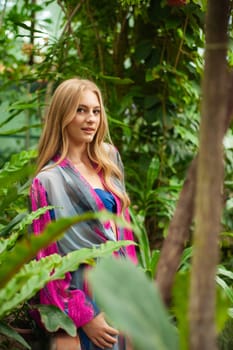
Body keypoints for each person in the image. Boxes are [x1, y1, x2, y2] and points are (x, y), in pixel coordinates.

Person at [30, 77, 137, 350]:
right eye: (80, 110)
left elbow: (123, 231)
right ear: (62, 115)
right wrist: (84, 315)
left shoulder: (109, 160)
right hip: (82, 293)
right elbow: (49, 259)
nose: (91, 119)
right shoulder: (48, 181)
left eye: (96, 111)